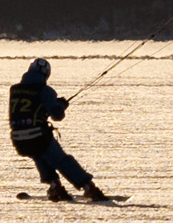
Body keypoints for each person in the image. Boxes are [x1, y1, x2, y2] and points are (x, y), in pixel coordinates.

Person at [8, 58, 112, 202]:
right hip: (38, 136)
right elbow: (57, 115)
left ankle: (54, 185)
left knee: (39, 155)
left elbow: (31, 107)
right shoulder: (46, 91)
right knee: (62, 161)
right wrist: (61, 105)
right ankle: (89, 187)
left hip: (18, 138)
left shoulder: (14, 89)